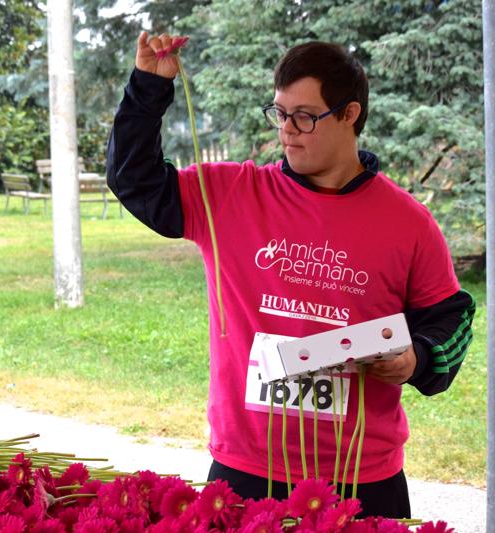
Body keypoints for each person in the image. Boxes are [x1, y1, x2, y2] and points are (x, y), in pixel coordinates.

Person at [106, 33, 476, 519]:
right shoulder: (230, 194)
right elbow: (133, 179)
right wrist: (148, 86)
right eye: (280, 114)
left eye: (304, 116)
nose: (287, 131)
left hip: (361, 479)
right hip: (244, 471)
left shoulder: (408, 222)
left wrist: (417, 358)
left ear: (350, 114)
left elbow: (451, 319)